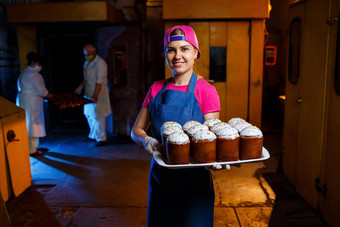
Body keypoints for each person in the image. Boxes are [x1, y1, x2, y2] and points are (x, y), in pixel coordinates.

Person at [131, 25, 221, 226]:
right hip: (162, 178)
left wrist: (217, 157)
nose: (177, 55)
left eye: (184, 48)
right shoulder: (155, 88)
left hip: (194, 181)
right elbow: (136, 130)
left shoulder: (206, 92)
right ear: (165, 54)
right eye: (171, 49)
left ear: (196, 52)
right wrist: (147, 141)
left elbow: (211, 137)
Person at [74, 44, 111, 147]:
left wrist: (95, 96)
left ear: (94, 52)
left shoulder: (100, 63)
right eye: (85, 54)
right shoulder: (87, 62)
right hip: (88, 91)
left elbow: (99, 81)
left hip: (99, 92)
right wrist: (80, 87)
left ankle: (101, 139)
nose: (86, 56)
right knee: (89, 115)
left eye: (88, 54)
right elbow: (86, 78)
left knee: (98, 115)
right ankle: (93, 135)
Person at [17, 52, 53, 157]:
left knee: (33, 123)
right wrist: (49, 95)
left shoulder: (24, 72)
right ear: (33, 62)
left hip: (27, 100)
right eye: (39, 64)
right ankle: (31, 149)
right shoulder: (33, 74)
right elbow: (42, 90)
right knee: (32, 124)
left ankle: (36, 146)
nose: (40, 67)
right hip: (31, 101)